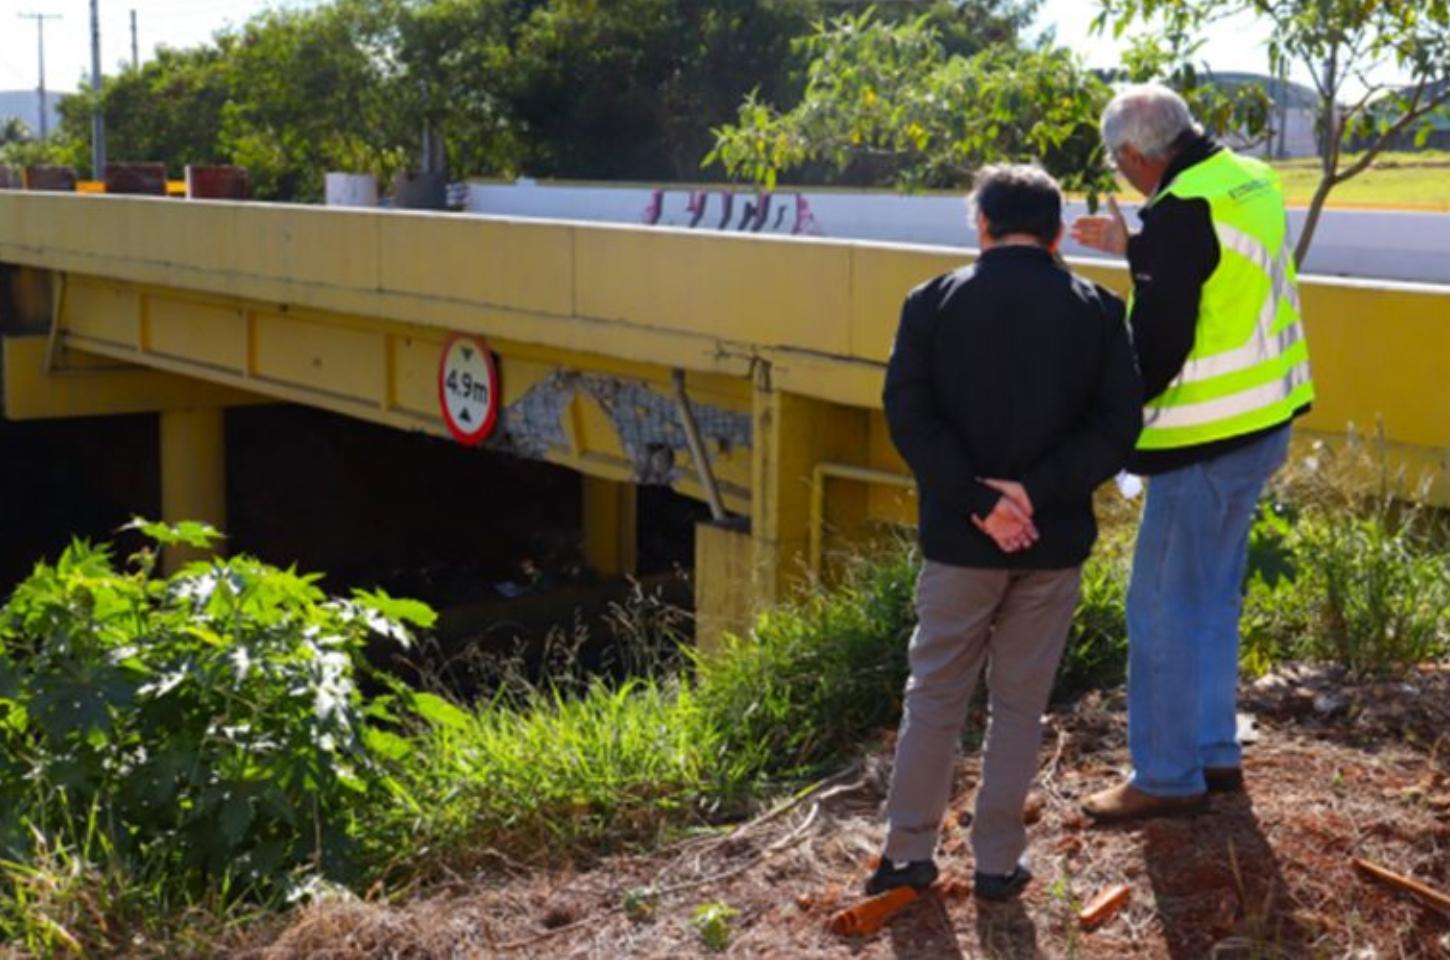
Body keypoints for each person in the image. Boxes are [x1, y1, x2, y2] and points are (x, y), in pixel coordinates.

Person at [871, 164, 1142, 900]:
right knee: (1020, 705)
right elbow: (1118, 427)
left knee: (934, 695)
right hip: (1051, 544)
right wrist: (1035, 493)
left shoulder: (930, 303)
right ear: (1057, 234)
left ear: (981, 225)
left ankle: (907, 855)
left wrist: (978, 501)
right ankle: (997, 863)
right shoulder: (1098, 309)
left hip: (961, 543)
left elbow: (910, 417)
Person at [1071, 84, 1315, 821]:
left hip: (1201, 439)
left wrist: (1105, 416)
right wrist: (1138, 249)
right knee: (1211, 600)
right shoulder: (1249, 179)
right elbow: (1215, 268)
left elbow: (1161, 343)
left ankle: (1166, 774)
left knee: (1160, 610)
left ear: (1135, 155)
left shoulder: (1179, 213)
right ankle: (1214, 754)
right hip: (1264, 421)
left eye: (1120, 164)